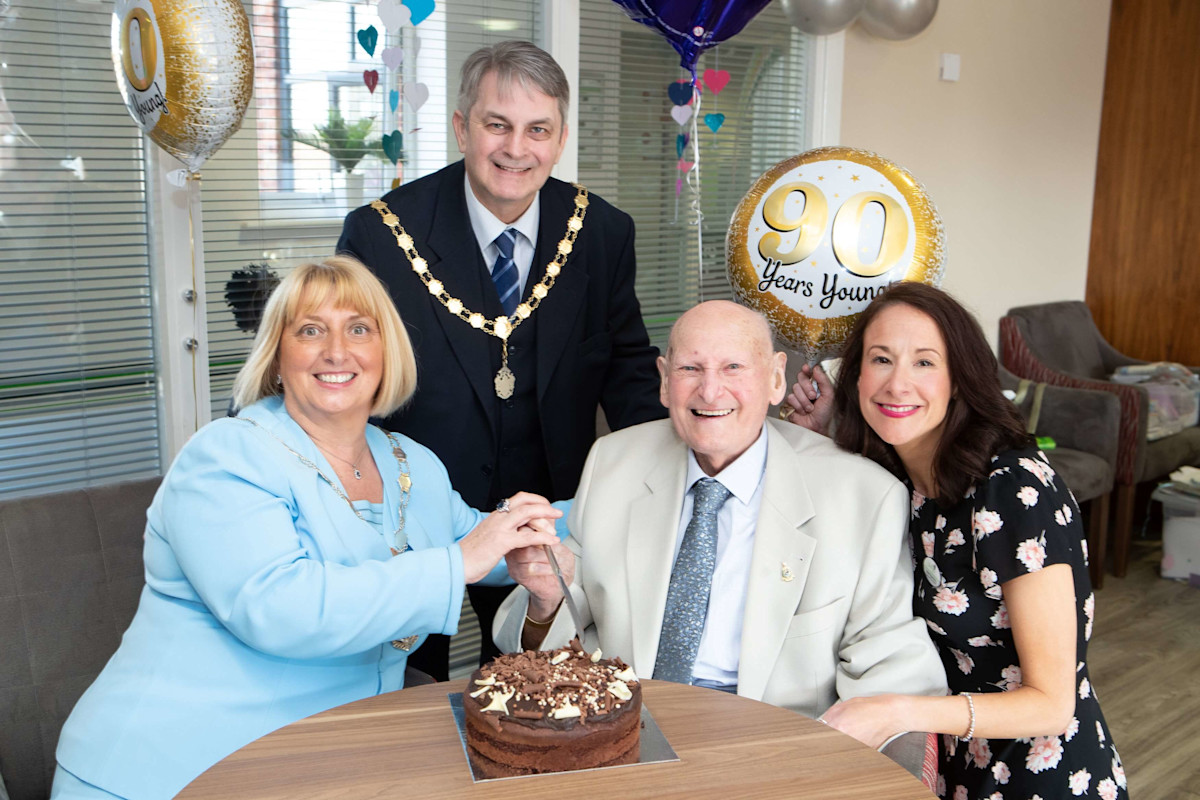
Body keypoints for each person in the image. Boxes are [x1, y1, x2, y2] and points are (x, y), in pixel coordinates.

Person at [51, 256, 562, 800]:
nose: (336, 351)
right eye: (310, 330)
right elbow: (279, 608)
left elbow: (487, 541)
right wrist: (461, 560)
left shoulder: (411, 462)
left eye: (359, 329)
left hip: (322, 763)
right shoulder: (226, 456)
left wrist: (566, 526)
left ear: (386, 352)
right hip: (169, 768)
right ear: (277, 356)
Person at [496, 301, 947, 766]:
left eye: (734, 367)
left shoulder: (863, 495)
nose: (710, 391)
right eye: (690, 369)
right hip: (622, 737)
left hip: (774, 750)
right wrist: (547, 598)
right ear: (664, 381)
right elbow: (548, 640)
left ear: (775, 379)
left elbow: (890, 668)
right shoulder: (613, 463)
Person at [337, 40, 664, 680]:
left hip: (550, 517)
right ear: (462, 128)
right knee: (399, 689)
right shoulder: (380, 233)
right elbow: (346, 379)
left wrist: (669, 474)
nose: (517, 149)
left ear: (561, 138)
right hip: (411, 518)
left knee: (535, 685)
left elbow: (627, 368)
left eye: (538, 129)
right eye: (497, 125)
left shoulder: (602, 231)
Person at [781, 282, 1128, 799]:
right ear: (855, 376)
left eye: (924, 362)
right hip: (953, 768)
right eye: (881, 359)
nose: (898, 383)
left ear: (959, 381)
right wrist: (824, 435)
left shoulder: (1013, 490)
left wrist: (895, 711)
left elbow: (1052, 703)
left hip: (1044, 775)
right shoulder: (899, 479)